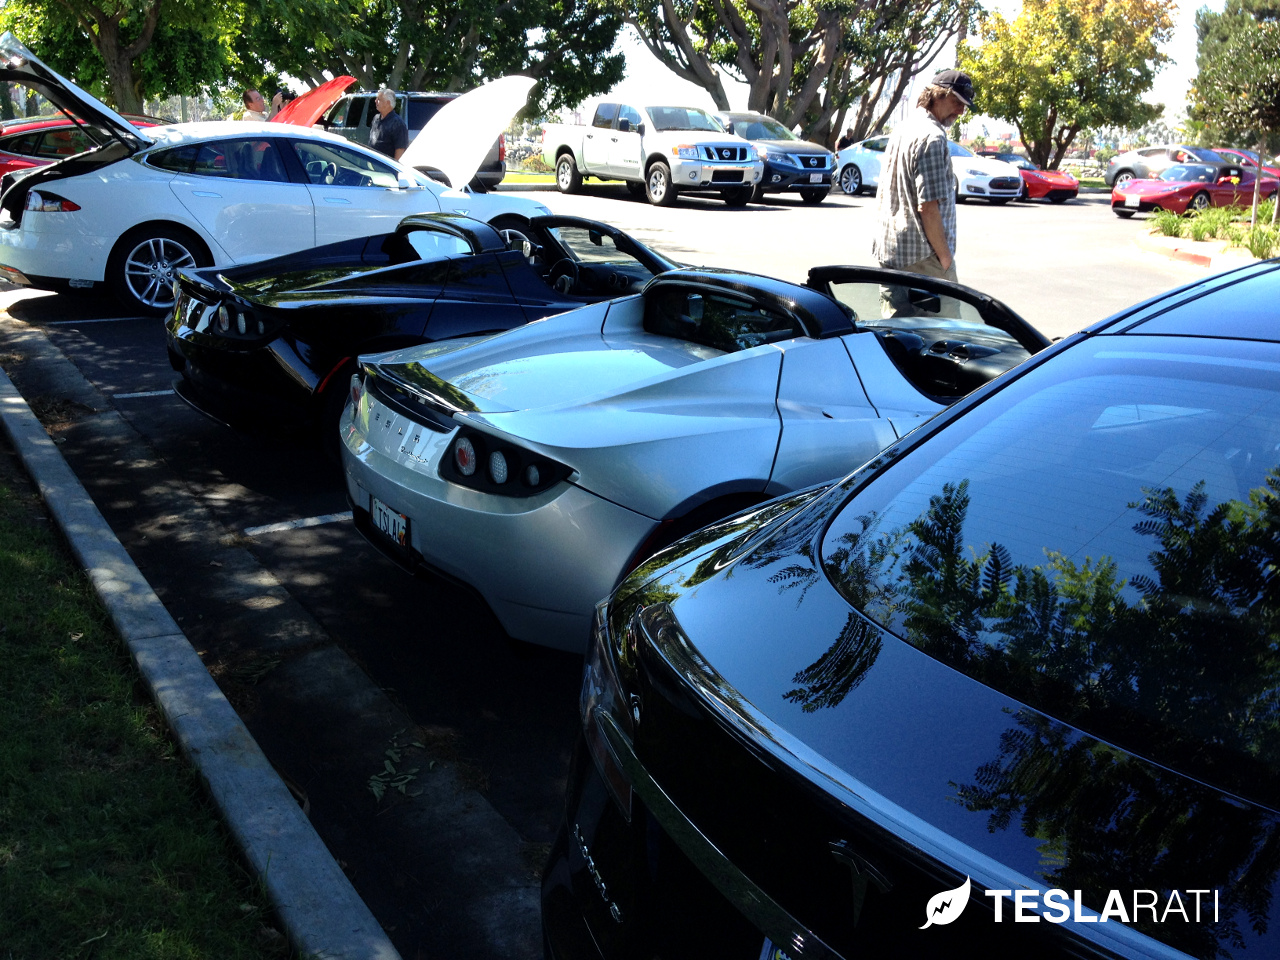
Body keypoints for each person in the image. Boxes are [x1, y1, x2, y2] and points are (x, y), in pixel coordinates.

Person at [871, 69, 974, 316]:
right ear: (938, 95)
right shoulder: (932, 137)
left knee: (896, 337)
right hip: (924, 259)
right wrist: (945, 260)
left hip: (891, 250)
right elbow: (928, 208)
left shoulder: (903, 128)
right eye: (957, 102)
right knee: (945, 337)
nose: (960, 111)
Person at [368, 87, 408, 161]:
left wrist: (394, 170)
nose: (375, 101)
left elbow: (400, 150)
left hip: (386, 168)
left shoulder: (397, 123)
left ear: (387, 103)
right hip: (373, 165)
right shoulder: (376, 119)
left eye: (379, 99)